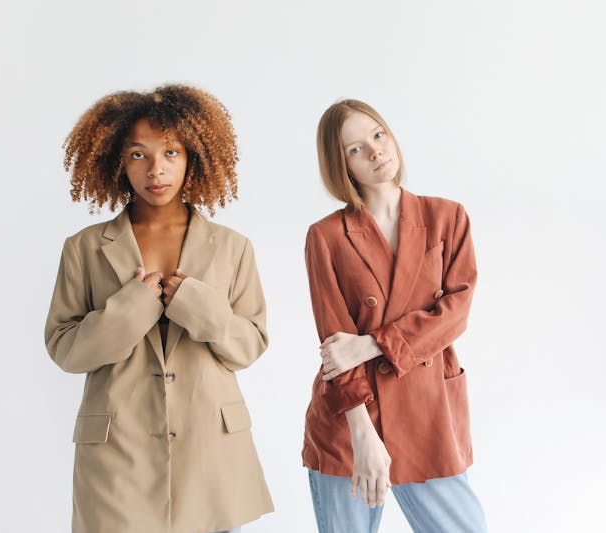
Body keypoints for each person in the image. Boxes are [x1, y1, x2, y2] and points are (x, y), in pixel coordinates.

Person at [44, 85, 273, 533]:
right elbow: (64, 349)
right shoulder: (83, 249)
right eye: (138, 154)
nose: (156, 169)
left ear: (193, 158)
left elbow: (250, 345)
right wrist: (129, 309)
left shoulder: (233, 247)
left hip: (210, 455)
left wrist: (199, 308)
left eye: (171, 152)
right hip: (118, 458)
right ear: (117, 160)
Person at [302, 99, 487, 532]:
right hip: (350, 417)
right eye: (355, 149)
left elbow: (455, 313)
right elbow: (336, 347)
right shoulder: (326, 236)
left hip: (428, 410)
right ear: (341, 165)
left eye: (378, 135)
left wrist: (372, 344)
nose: (375, 151)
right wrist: (363, 436)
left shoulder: (447, 217)